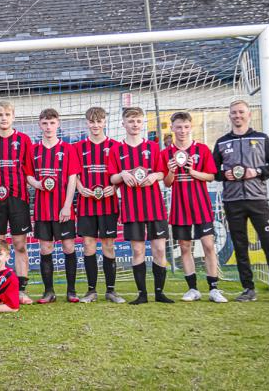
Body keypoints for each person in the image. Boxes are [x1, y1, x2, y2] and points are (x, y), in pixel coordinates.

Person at [212, 100, 269, 302]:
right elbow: (213, 172)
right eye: (234, 113)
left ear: (249, 114)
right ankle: (248, 289)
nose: (237, 116)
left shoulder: (261, 138)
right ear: (230, 116)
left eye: (241, 112)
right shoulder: (221, 142)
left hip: (258, 200)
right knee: (240, 245)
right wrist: (224, 174)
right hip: (232, 201)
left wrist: (258, 171)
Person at [108, 107, 172, 304]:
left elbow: (163, 173)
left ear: (142, 124)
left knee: (160, 250)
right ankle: (142, 294)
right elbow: (112, 177)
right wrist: (123, 174)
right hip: (132, 208)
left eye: (138, 121)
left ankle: (160, 293)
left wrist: (155, 175)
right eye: (131, 121)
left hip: (155, 207)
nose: (135, 125)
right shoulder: (116, 150)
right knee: (137, 251)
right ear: (124, 124)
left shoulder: (153, 147)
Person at [161, 112, 227, 303]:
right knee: (184, 247)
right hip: (179, 206)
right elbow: (166, 183)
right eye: (178, 127)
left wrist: (193, 172)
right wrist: (172, 171)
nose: (182, 131)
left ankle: (214, 288)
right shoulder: (166, 153)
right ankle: (193, 289)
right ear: (172, 128)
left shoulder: (202, 149)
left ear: (191, 127)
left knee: (208, 246)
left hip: (200, 204)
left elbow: (211, 176)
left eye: (186, 127)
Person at [0, 100, 35, 304]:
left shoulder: (24, 140)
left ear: (13, 117)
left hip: (19, 198)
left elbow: (28, 169)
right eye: (0, 115)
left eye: (7, 115)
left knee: (20, 245)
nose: (4, 118)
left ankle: (21, 290)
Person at [73, 107, 125, 304]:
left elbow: (122, 174)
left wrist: (115, 187)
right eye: (92, 122)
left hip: (108, 204)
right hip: (87, 204)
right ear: (87, 123)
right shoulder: (78, 147)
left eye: (99, 121)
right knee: (88, 245)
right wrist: (80, 188)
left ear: (105, 122)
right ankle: (91, 290)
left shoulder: (115, 146)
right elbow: (74, 175)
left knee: (108, 245)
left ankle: (111, 291)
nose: (95, 125)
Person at [29, 108, 81, 304]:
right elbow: (28, 176)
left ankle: (72, 291)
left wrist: (67, 205)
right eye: (44, 123)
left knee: (68, 247)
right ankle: (49, 291)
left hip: (63, 208)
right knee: (45, 249)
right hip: (43, 209)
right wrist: (37, 184)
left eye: (52, 123)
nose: (48, 127)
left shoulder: (68, 149)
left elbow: (72, 178)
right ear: (39, 125)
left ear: (58, 124)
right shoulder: (34, 150)